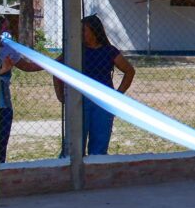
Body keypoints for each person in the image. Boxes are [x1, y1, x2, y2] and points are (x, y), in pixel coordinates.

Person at [55, 14, 135, 157]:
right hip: (79, 101)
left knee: (99, 148)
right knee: (73, 147)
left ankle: (96, 168)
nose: (80, 34)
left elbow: (129, 71)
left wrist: (118, 95)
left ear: (94, 31)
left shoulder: (109, 51)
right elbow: (56, 68)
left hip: (104, 102)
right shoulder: (75, 51)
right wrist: (60, 95)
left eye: (83, 30)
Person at [0, 14, 42, 163]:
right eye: (4, 28)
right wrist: (3, 70)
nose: (7, 32)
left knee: (2, 141)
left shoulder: (8, 49)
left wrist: (51, 64)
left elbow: (27, 66)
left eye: (8, 29)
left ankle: (1, 167)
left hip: (4, 103)